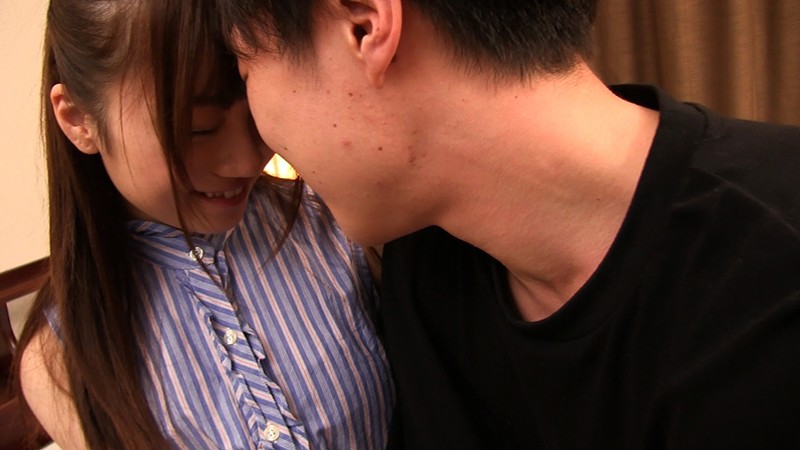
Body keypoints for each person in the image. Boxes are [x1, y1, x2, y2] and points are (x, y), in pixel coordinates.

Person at [218, 0, 800, 448]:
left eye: (246, 66)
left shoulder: (773, 275)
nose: (257, 140)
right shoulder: (426, 258)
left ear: (365, 26)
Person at [14, 0, 394, 449]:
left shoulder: (338, 224)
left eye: (256, 113)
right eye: (199, 129)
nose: (247, 160)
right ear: (79, 119)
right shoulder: (61, 361)